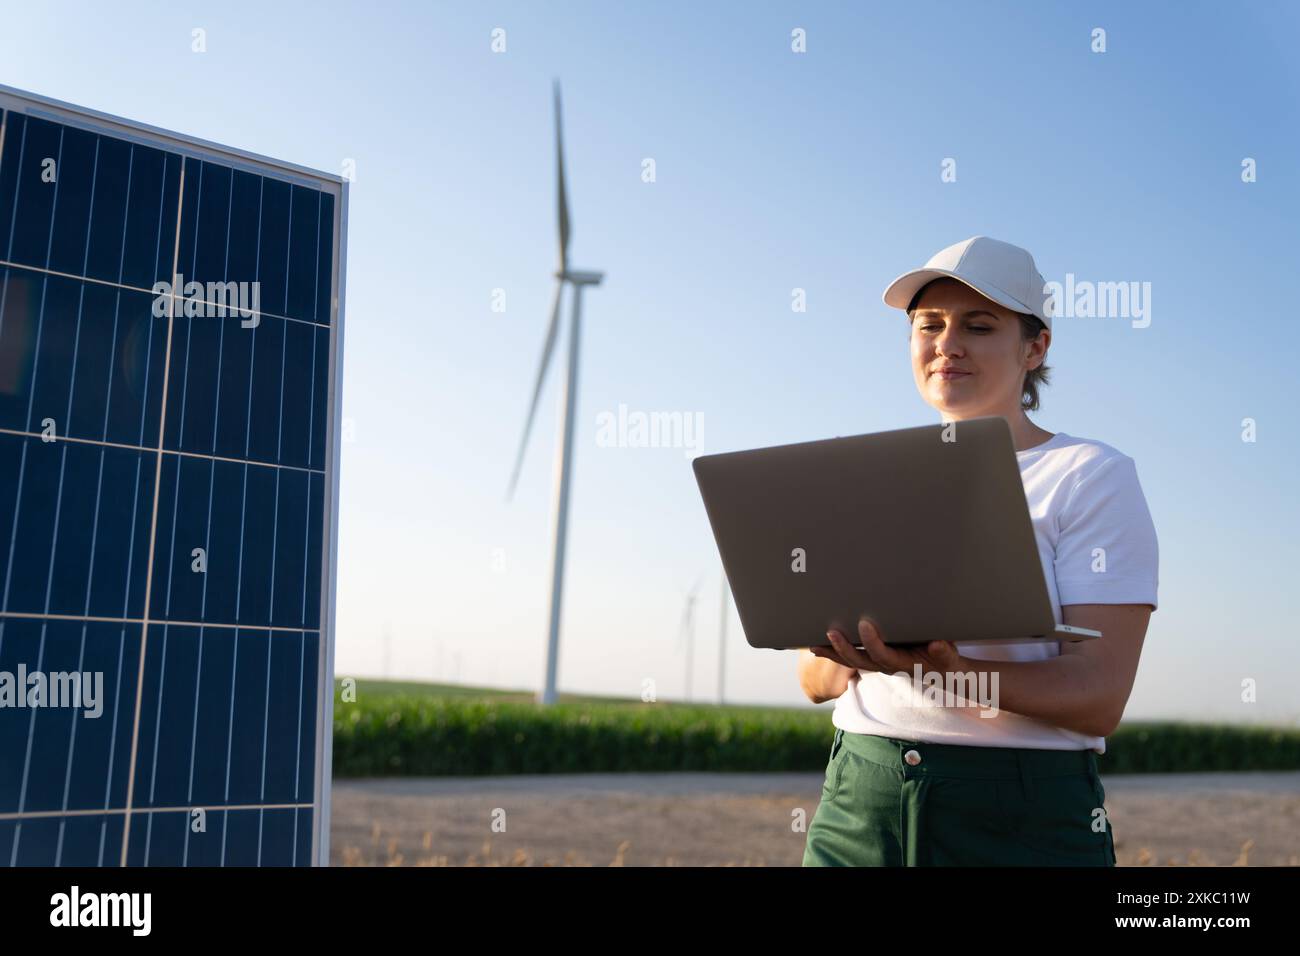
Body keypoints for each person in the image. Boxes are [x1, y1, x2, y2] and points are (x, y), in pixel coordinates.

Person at [799, 236, 1158, 866]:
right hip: (858, 799)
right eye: (929, 324)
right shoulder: (869, 475)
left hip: (1018, 814)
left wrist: (936, 670)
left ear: (1035, 345)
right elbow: (813, 681)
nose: (947, 344)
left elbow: (1099, 696)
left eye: (979, 325)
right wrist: (852, 655)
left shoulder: (1088, 475)